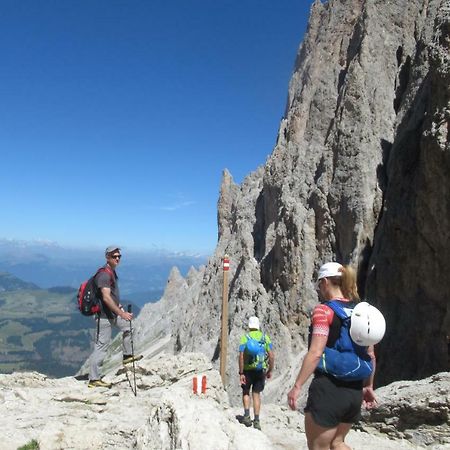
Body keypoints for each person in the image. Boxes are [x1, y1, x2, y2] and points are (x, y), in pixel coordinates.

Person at [287, 262, 377, 450]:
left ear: (326, 282)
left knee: (318, 446)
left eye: (320, 284)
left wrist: (297, 386)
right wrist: (368, 386)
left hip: (329, 390)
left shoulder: (323, 311)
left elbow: (316, 352)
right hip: (354, 393)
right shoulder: (360, 311)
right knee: (338, 443)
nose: (319, 289)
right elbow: (370, 354)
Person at [88, 246, 141, 388]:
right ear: (107, 257)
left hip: (112, 313)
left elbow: (111, 296)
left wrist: (120, 308)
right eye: (114, 256)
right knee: (102, 346)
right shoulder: (104, 275)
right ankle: (94, 380)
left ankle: (127, 356)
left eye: (119, 256)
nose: (117, 258)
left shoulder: (111, 272)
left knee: (130, 327)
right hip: (104, 316)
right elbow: (105, 298)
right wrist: (121, 313)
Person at [238, 316, 275, 431]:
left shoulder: (245, 338)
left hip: (248, 370)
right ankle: (257, 420)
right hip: (260, 370)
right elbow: (272, 355)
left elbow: (241, 356)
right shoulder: (265, 338)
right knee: (256, 394)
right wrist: (270, 370)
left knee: (246, 392)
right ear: (258, 326)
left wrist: (241, 372)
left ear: (249, 326)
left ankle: (247, 416)